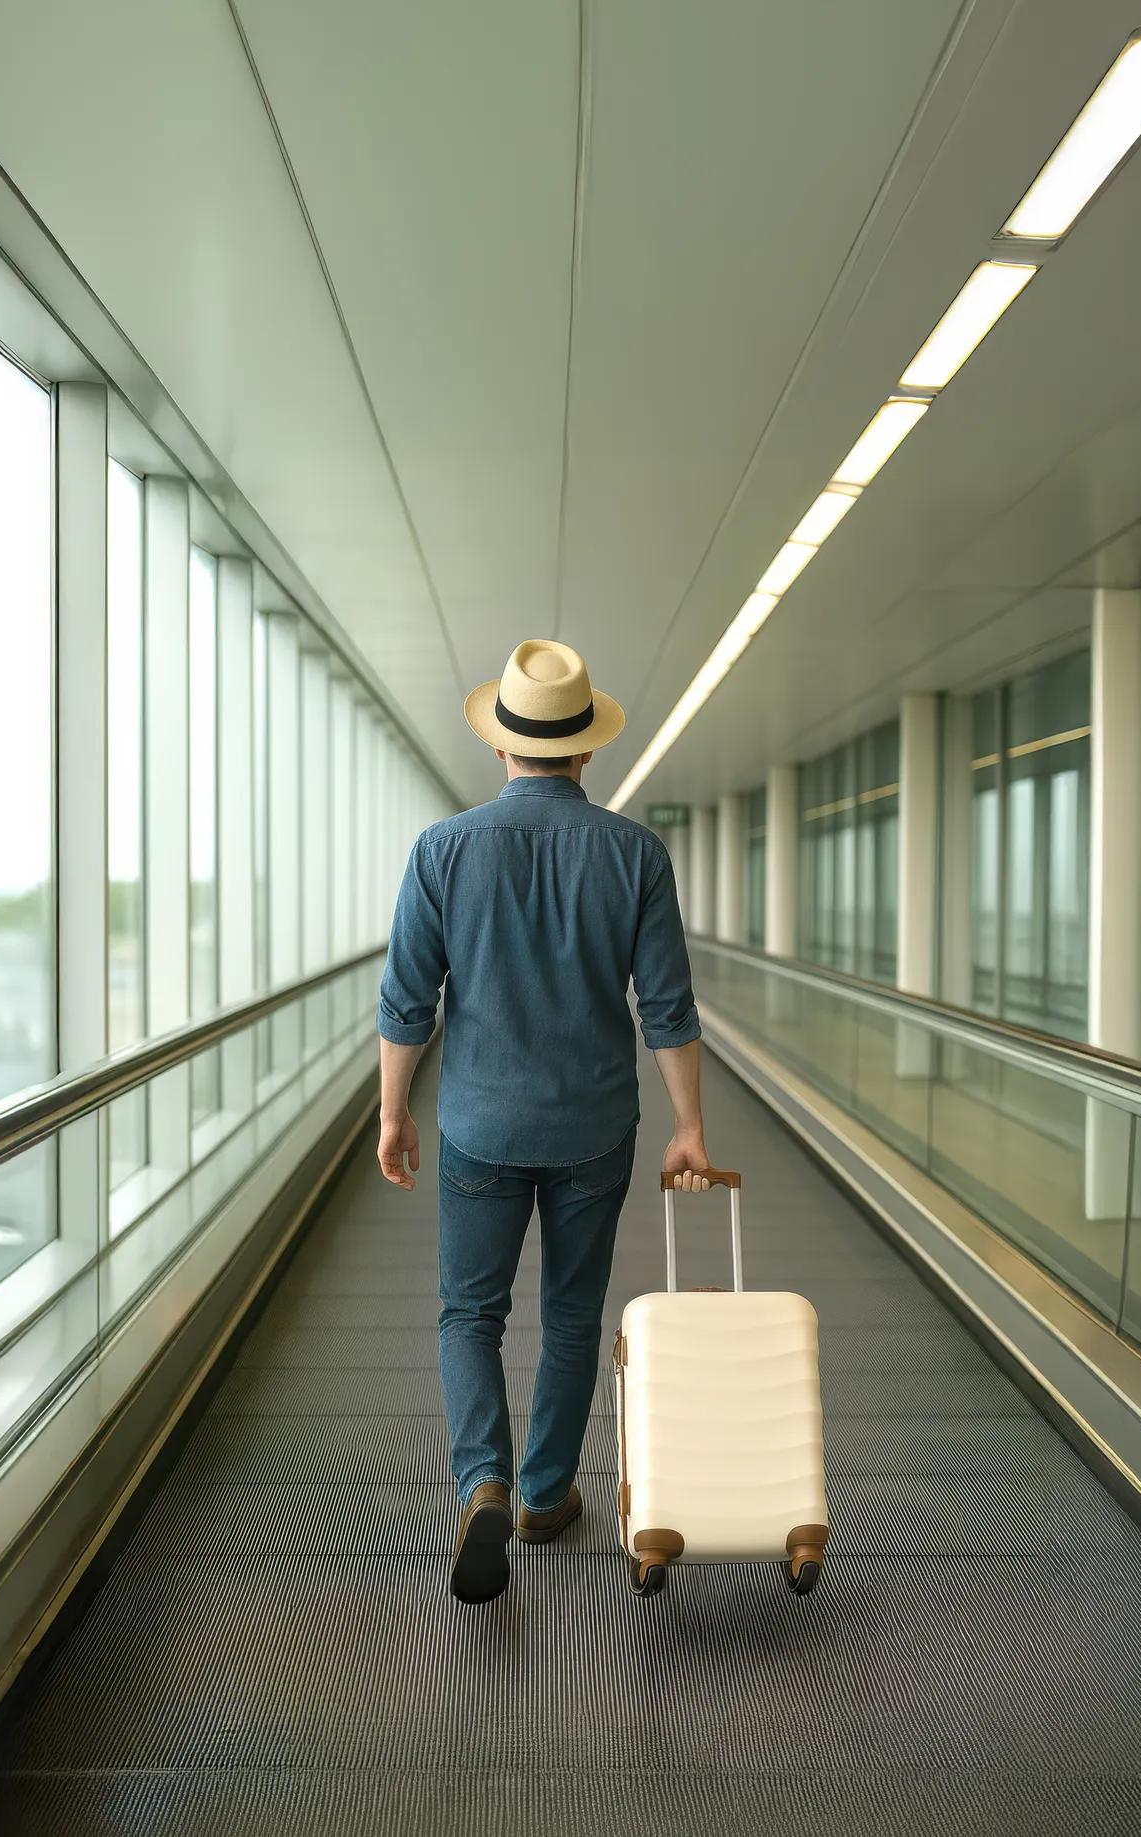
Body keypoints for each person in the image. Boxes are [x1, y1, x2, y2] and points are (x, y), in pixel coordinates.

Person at [375, 638, 715, 1604]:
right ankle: (546, 1491)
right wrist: (689, 1127)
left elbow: (408, 1002)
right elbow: (668, 1007)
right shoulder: (635, 853)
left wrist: (394, 1111)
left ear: (502, 749)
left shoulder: (442, 851)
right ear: (586, 753)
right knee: (571, 1314)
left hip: (477, 1125)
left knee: (468, 1312)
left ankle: (481, 1477)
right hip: (594, 1128)